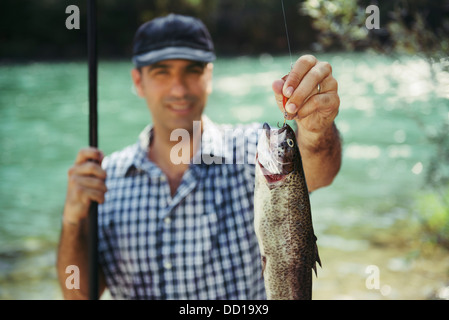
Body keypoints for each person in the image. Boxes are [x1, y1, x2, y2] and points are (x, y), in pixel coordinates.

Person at [57, 13, 341, 300]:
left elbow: (320, 174)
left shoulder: (250, 150)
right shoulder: (106, 178)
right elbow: (79, 295)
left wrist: (316, 133)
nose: (179, 89)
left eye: (192, 70)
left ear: (209, 76)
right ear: (138, 81)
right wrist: (72, 220)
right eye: (161, 72)